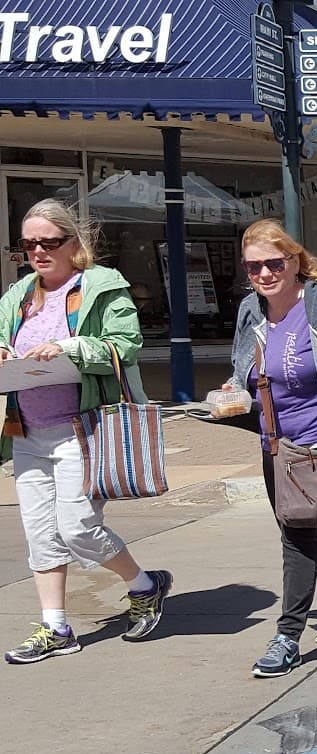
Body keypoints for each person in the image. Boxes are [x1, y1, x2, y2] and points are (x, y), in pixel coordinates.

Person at [0, 200, 173, 663]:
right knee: (40, 534)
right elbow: (4, 339)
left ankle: (144, 584)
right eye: (28, 243)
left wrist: (69, 346)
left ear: (74, 243)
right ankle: (55, 627)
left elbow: (125, 345)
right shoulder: (17, 295)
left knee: (77, 529)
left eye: (49, 242)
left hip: (83, 429)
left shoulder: (101, 286)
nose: (38, 251)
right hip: (26, 431)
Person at [219, 220, 317, 677]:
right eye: (253, 267)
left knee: (296, 535)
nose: (264, 274)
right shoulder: (252, 311)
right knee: (300, 525)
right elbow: (242, 367)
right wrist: (232, 391)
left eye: (273, 263)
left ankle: (287, 635)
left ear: (295, 261)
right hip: (275, 445)